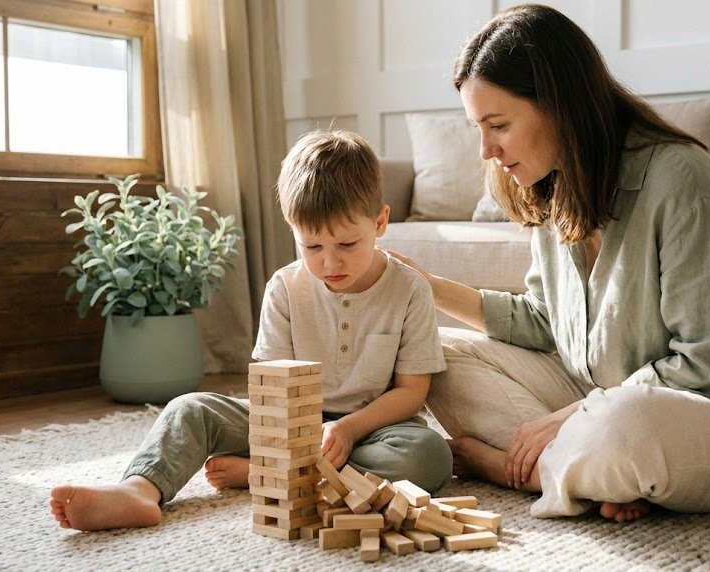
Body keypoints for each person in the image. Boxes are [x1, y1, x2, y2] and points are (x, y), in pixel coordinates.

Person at [384, 3, 710, 523]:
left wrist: (573, 416)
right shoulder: (554, 183)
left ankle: (522, 468)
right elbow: (544, 321)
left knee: (623, 425)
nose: (486, 149)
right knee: (438, 353)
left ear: (560, 106)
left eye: (498, 125)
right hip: (601, 395)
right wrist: (427, 287)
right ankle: (591, 471)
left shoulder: (682, 181)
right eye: (478, 128)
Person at [50, 130, 452, 531]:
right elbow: (271, 388)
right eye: (312, 247)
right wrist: (294, 436)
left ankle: (265, 473)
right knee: (190, 409)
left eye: (347, 245)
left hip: (373, 430)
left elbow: (411, 392)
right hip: (290, 421)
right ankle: (138, 489)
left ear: (380, 222)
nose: (330, 263)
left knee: (428, 456)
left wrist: (347, 429)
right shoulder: (284, 288)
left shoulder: (410, 288)